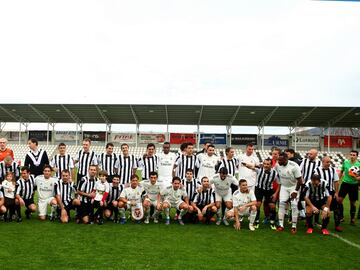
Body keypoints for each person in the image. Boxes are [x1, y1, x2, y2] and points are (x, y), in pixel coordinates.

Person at [275, 152, 303, 234]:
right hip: (284, 187)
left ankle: (294, 226)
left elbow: (300, 181)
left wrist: (295, 191)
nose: (278, 162)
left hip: (293, 187)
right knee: (281, 204)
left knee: (294, 205)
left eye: (280, 160)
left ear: (286, 159)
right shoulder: (278, 165)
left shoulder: (294, 167)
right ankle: (281, 225)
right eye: (278, 160)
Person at [314, 156, 342, 232]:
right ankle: (317, 223)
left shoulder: (333, 170)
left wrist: (336, 192)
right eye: (327, 162)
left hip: (330, 191)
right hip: (321, 192)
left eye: (329, 162)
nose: (329, 163)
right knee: (321, 208)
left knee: (336, 208)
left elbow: (336, 181)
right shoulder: (316, 170)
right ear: (322, 162)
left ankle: (337, 225)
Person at [252, 158, 278, 230]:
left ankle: (272, 222)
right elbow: (251, 167)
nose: (266, 165)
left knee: (272, 206)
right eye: (264, 164)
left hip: (269, 190)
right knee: (258, 205)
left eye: (267, 164)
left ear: (271, 165)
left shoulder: (275, 173)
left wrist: (275, 193)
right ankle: (256, 221)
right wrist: (245, 164)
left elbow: (280, 184)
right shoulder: (259, 170)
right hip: (259, 189)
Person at [337, 150, 360, 225]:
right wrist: (338, 180)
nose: (352, 156)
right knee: (339, 200)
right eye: (351, 155)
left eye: (354, 155)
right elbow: (341, 171)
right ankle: (341, 217)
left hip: (354, 185)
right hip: (345, 183)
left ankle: (352, 219)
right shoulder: (345, 163)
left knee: (352, 203)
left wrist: (358, 178)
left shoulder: (358, 164)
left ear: (357, 156)